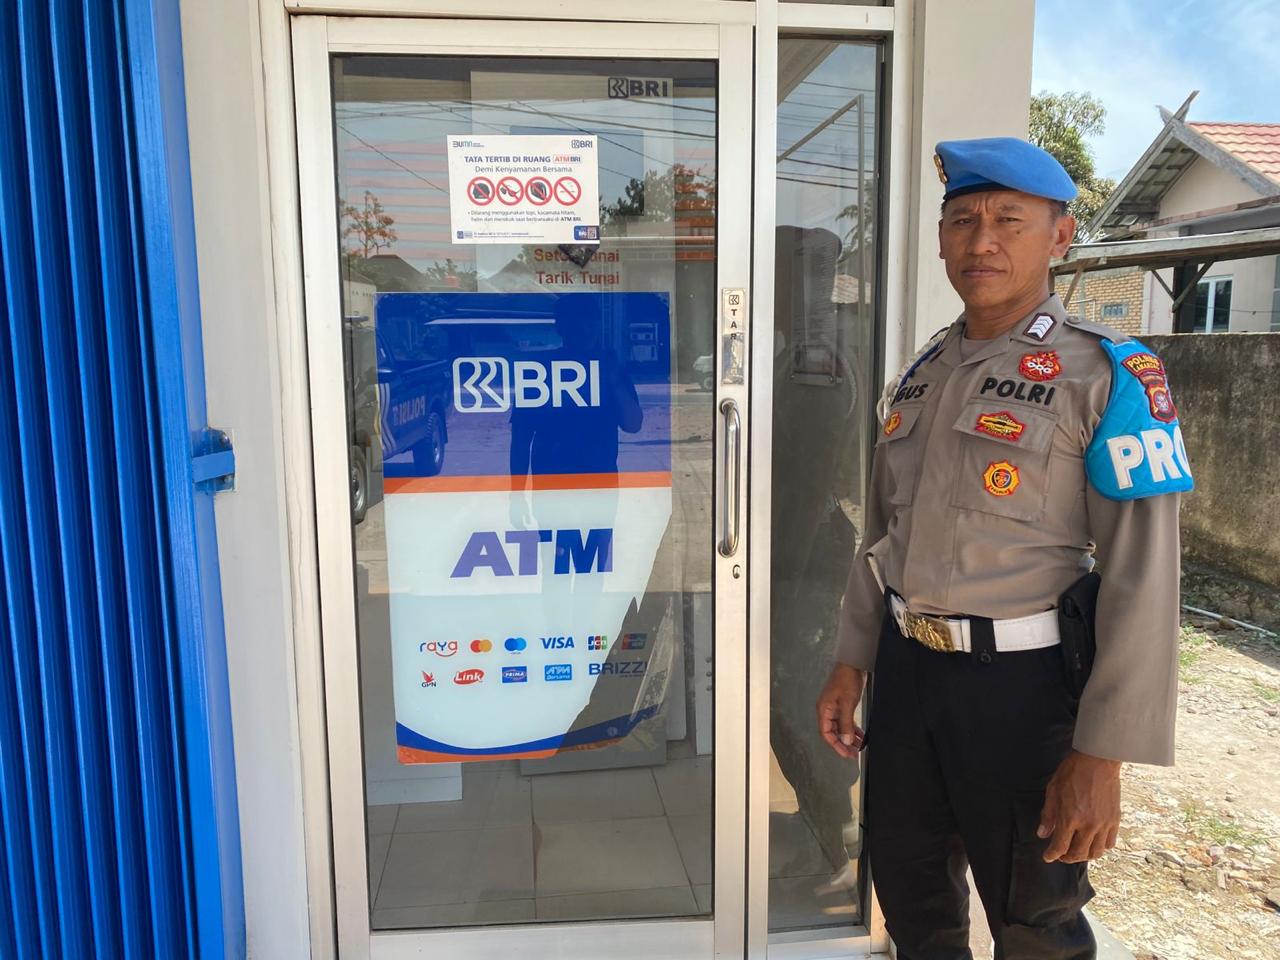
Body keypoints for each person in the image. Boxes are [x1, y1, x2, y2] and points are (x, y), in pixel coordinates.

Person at [815, 136, 1192, 960]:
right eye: (963, 221)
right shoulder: (921, 372)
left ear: (1060, 236)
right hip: (908, 677)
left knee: (1035, 924)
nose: (981, 241)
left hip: (1024, 690)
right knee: (911, 899)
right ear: (941, 238)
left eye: (1008, 221)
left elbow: (1143, 574)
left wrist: (1103, 753)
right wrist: (853, 659)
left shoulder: (1109, 375)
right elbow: (884, 536)